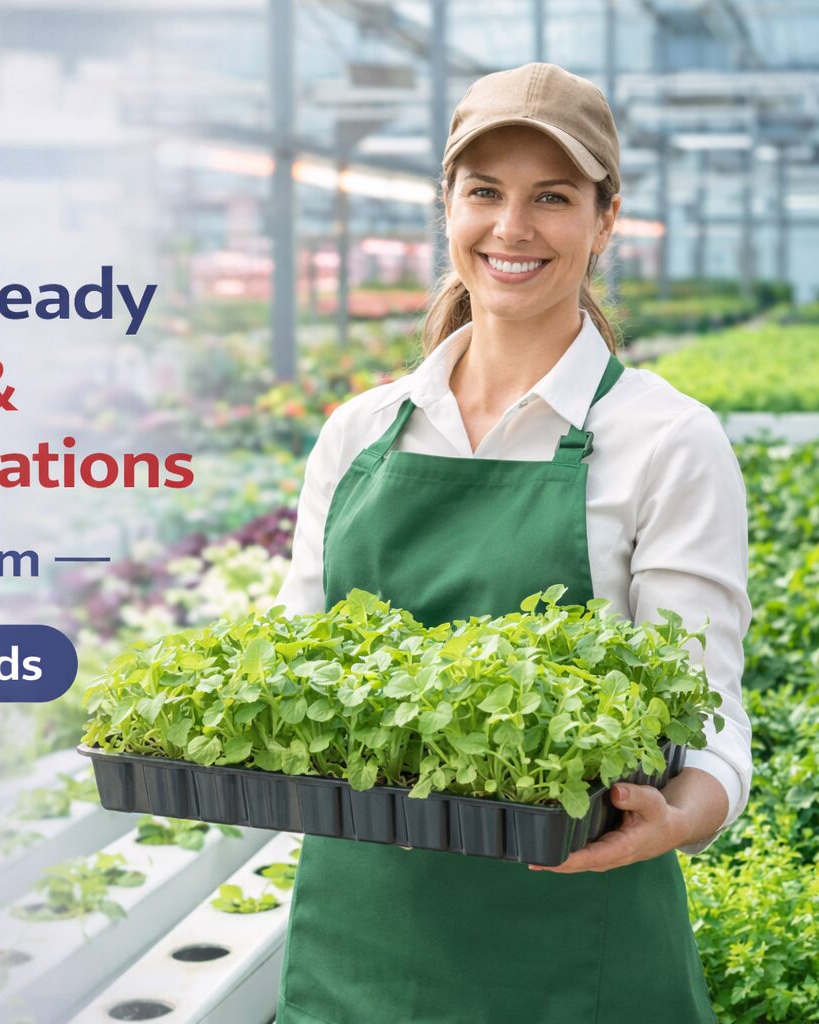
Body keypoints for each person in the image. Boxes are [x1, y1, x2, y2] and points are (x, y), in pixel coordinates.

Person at [272, 62, 753, 1024]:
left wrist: (678, 818)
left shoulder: (665, 439)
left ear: (604, 218)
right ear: (447, 207)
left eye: (553, 197)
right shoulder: (359, 432)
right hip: (356, 951)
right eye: (484, 192)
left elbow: (711, 719)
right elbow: (296, 677)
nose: (512, 228)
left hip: (574, 957)